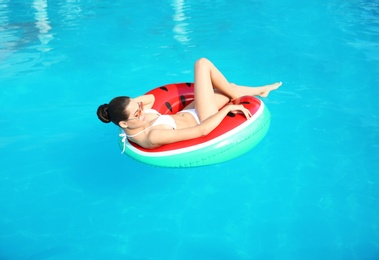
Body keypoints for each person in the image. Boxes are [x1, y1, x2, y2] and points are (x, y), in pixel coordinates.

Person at [97, 58, 281, 149]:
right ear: (123, 123)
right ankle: (241, 97)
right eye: (137, 113)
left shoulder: (131, 120)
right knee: (202, 64)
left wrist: (133, 105)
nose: (142, 111)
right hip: (202, 119)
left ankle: (260, 90)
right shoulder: (152, 136)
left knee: (227, 88)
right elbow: (201, 131)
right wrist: (230, 109)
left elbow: (152, 99)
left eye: (138, 107)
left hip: (188, 111)